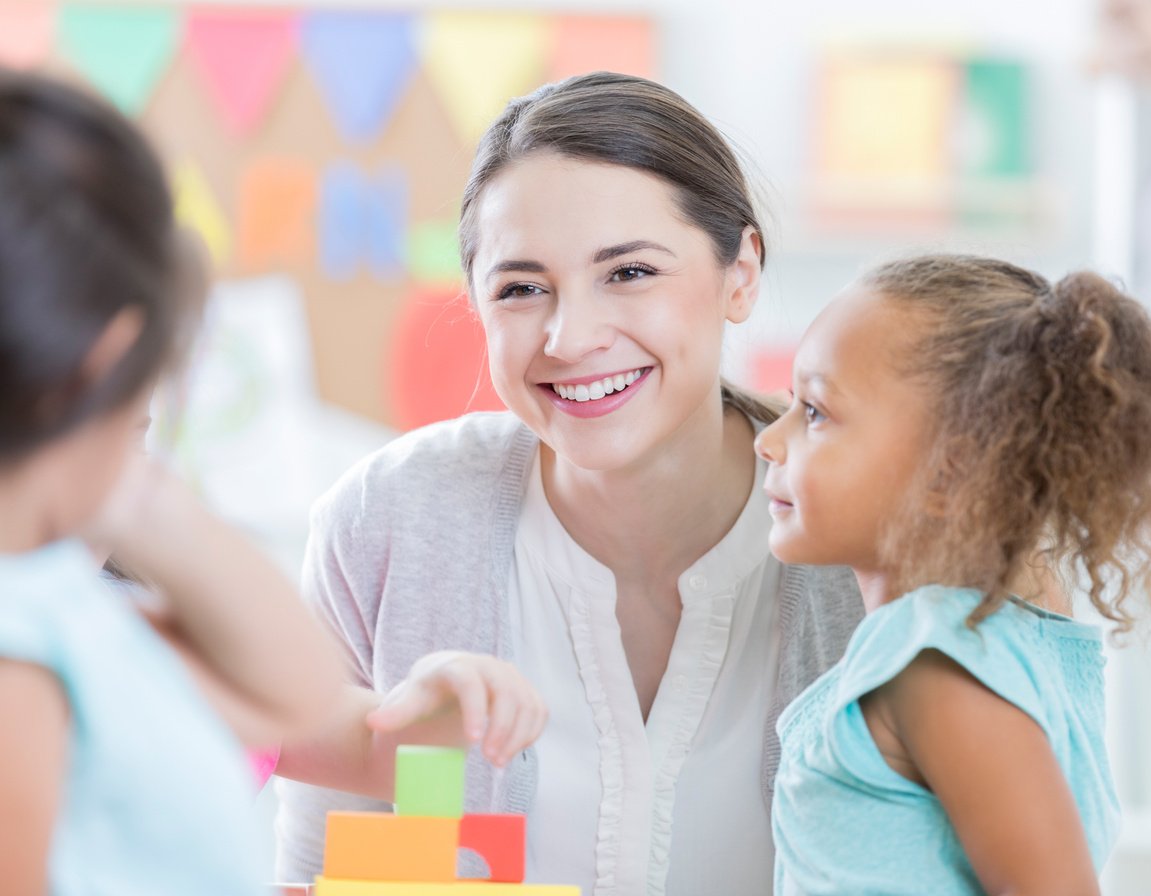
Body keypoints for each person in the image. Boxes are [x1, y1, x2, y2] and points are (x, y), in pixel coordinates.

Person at [273, 72, 866, 894]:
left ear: (741, 273)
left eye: (628, 273)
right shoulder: (390, 521)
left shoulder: (871, 534)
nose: (570, 336)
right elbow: (320, 873)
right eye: (521, 289)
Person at [0, 70, 347, 894]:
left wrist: (120, 477)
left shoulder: (56, 597)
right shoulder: (20, 656)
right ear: (114, 358)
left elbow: (298, 693)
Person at [757, 255, 1151, 895]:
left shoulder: (932, 657)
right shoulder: (1006, 630)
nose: (769, 438)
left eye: (815, 412)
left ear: (951, 472)